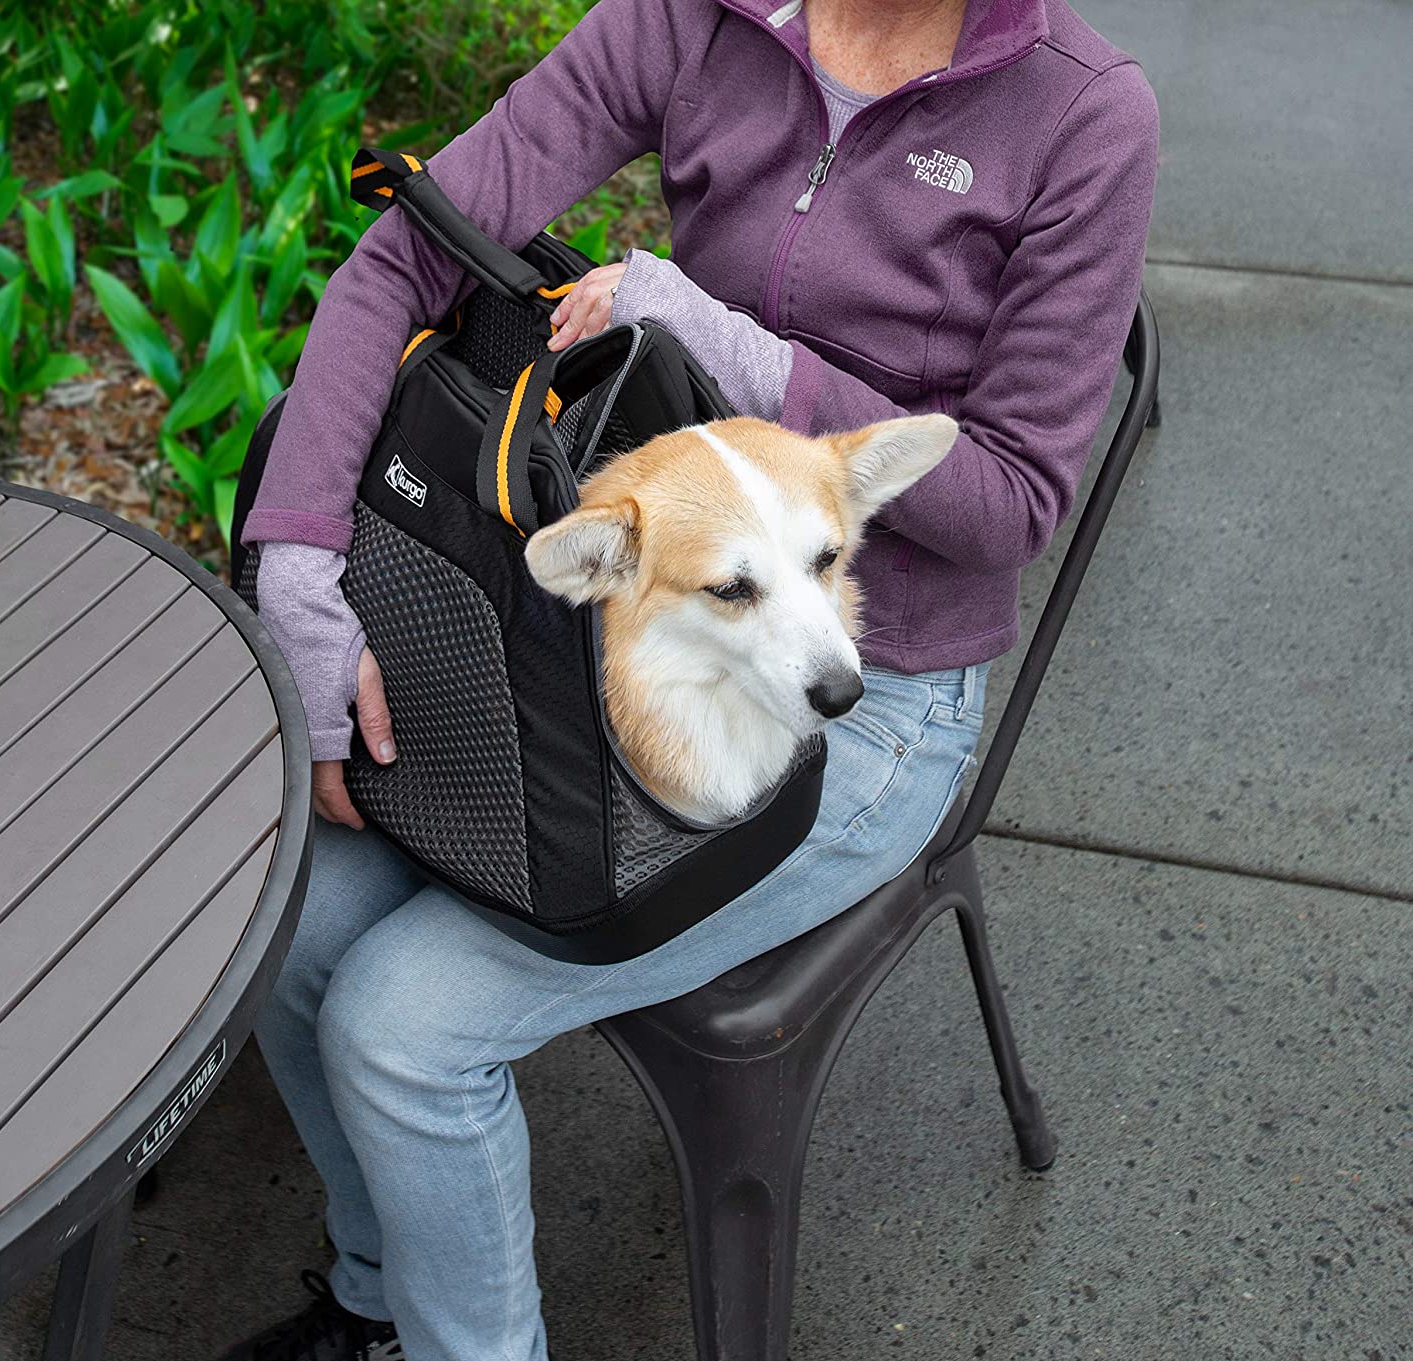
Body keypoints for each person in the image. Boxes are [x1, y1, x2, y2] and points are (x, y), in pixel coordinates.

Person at [227, 0, 1158, 1357]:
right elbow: (402, 257)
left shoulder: (1083, 116)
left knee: (400, 1030)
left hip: (864, 697)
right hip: (605, 636)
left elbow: (1012, 501)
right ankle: (380, 1300)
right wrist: (298, 572)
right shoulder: (693, 16)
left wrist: (741, 354)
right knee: (297, 925)